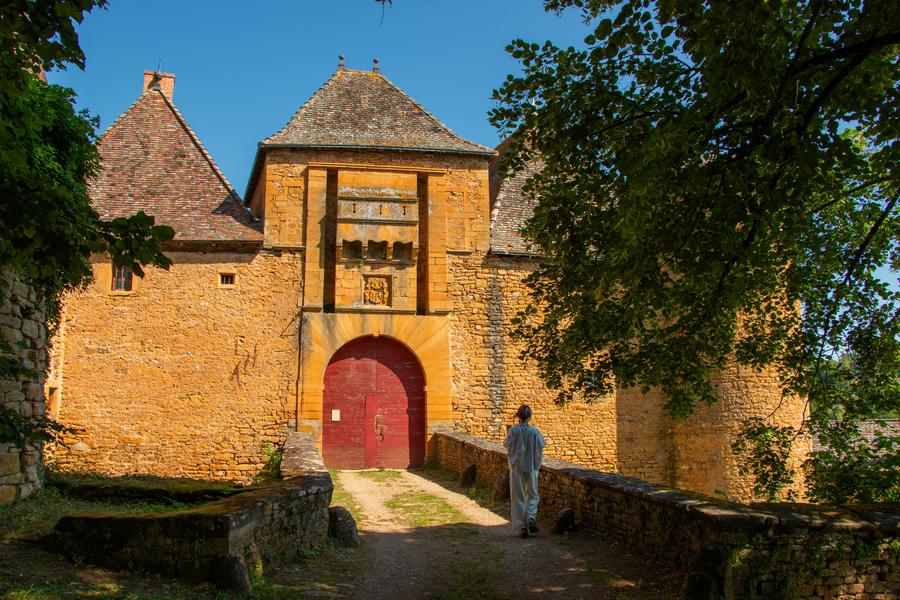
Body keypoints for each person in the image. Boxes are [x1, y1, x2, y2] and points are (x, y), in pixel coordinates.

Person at [503, 404, 545, 538]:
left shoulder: (513, 431)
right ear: (530, 417)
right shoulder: (535, 432)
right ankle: (531, 517)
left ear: (518, 416)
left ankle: (521, 526)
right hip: (532, 466)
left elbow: (506, 444)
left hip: (517, 467)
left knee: (518, 496)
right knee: (533, 494)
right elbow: (542, 445)